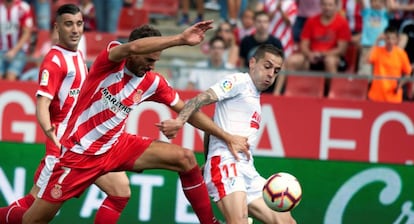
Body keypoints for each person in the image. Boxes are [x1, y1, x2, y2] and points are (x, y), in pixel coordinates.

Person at [22, 20, 249, 224]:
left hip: (115, 146)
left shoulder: (152, 82)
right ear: (136, 53)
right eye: (149, 59)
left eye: (156, 61)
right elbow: (132, 47)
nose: (151, 66)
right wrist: (180, 39)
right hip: (78, 154)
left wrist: (227, 137)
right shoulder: (111, 60)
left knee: (185, 158)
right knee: (32, 219)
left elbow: (188, 110)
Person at [0, 4, 132, 224]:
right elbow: (42, 103)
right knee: (33, 212)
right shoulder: (54, 61)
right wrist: (49, 132)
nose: (75, 30)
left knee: (120, 190)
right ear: (57, 28)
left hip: (81, 143)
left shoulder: (77, 54)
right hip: (62, 146)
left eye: (79, 24)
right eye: (68, 24)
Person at [158, 44, 297, 224]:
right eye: (267, 66)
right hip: (226, 163)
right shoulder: (239, 81)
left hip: (247, 169)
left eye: (276, 71)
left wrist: (206, 160)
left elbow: (213, 126)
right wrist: (179, 121)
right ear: (252, 63)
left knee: (287, 222)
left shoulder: (254, 97)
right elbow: (199, 99)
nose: (271, 74)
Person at [284, 0, 351, 95]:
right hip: (312, 57)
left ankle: (333, 94)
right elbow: (304, 44)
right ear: (320, 6)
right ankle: (290, 92)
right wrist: (309, 54)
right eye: (324, 5)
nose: (327, 7)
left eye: (330, 5)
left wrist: (323, 54)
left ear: (335, 6)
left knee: (330, 61)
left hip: (333, 58)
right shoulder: (311, 21)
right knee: (292, 61)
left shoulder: (342, 23)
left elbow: (342, 50)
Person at [239, 11, 283, 95]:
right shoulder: (246, 41)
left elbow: (282, 68)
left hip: (270, 88)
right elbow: (242, 66)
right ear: (254, 23)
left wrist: (277, 91)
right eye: (259, 21)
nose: (262, 24)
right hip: (249, 87)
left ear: (269, 23)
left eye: (265, 21)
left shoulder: (276, 43)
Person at [367, 26, 412, 103]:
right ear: (384, 38)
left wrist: (400, 84)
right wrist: (376, 41)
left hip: (394, 97)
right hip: (376, 96)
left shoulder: (401, 54)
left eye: (393, 38)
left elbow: (408, 73)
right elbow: (367, 59)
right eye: (388, 38)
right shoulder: (378, 51)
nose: (390, 41)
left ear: (397, 40)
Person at [0, 0, 34, 81]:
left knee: (10, 77)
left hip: (20, 50)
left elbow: (27, 33)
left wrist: (13, 51)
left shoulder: (23, 8)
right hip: (1, 49)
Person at [357, 0, 390, 75]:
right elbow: (361, 2)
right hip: (367, 47)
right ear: (370, 2)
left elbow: (391, 6)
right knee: (365, 72)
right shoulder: (366, 12)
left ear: (384, 3)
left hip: (381, 47)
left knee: (380, 73)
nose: (377, 3)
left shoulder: (385, 13)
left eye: (380, 1)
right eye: (374, 1)